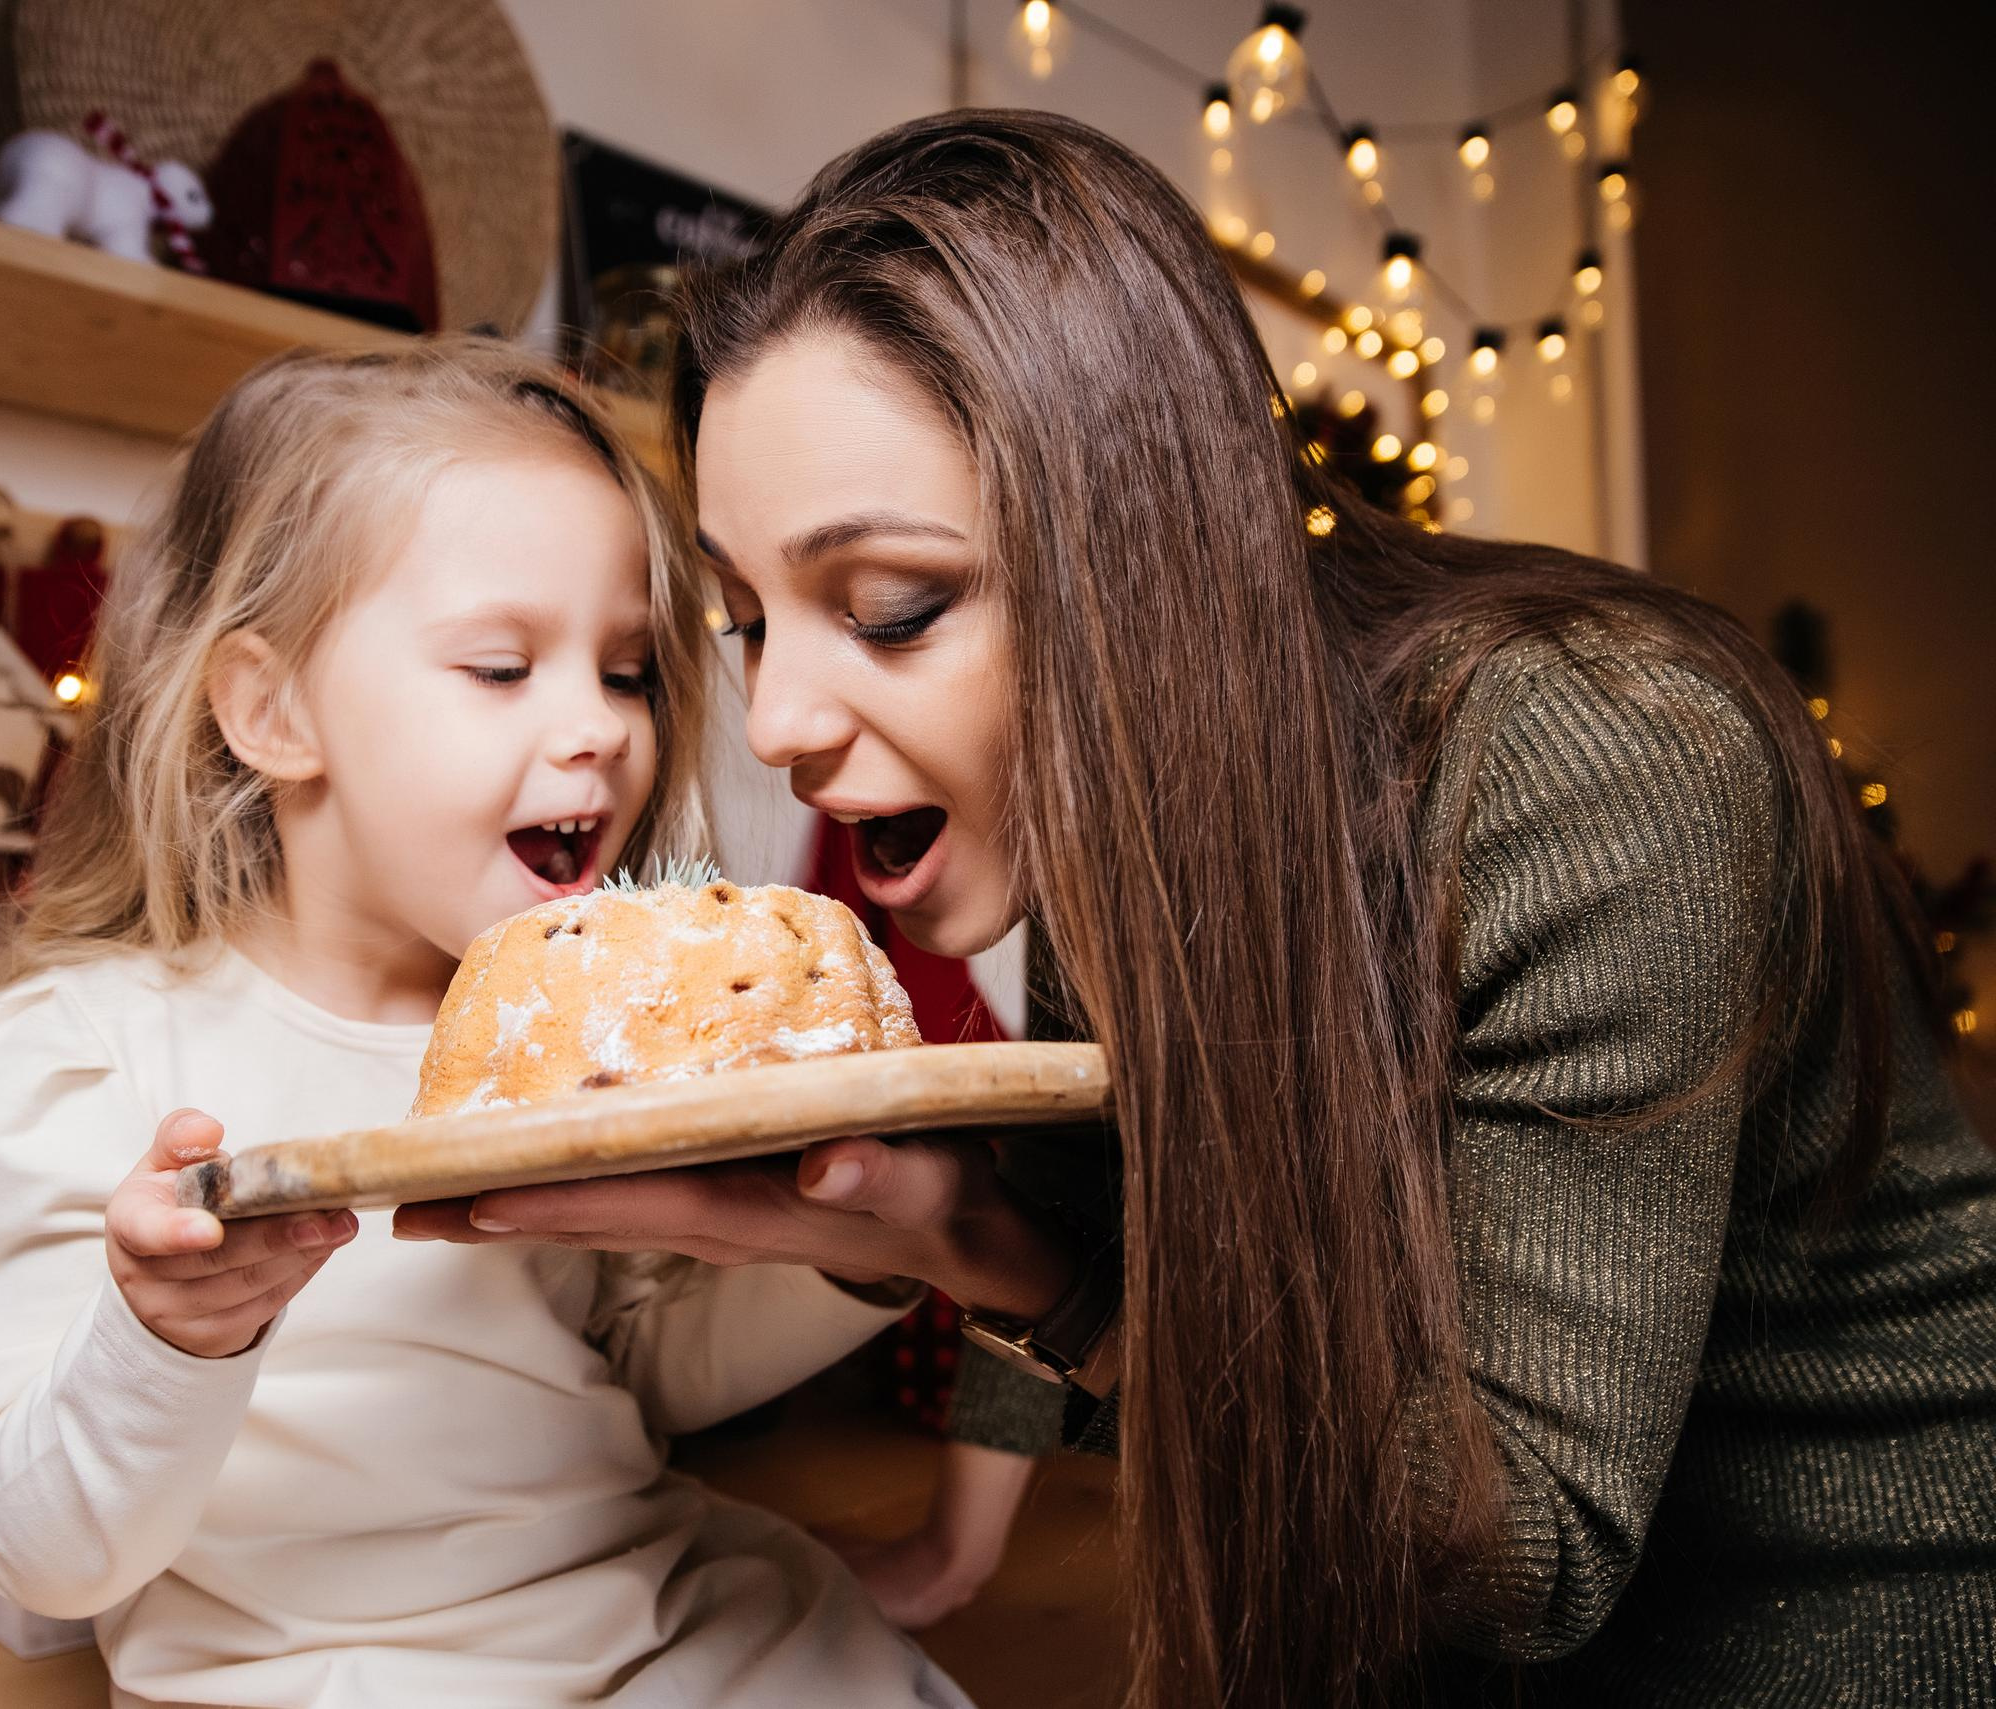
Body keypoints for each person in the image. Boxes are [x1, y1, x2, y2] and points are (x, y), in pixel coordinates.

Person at [393, 113, 1996, 1705]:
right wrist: (957, 1269)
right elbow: (1131, 1271)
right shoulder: (1107, 838)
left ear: (1139, 559)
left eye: (891, 608)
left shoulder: (1599, 754)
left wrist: (984, 1244)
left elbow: (1529, 1550)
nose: (776, 721)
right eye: (750, 618)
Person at [0, 341, 973, 1708]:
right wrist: (166, 1336)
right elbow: (45, 1558)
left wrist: (860, 1251)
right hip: (312, 1672)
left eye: (629, 670)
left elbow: (644, 1375)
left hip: (661, 1613)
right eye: (503, 665)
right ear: (272, 710)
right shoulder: (70, 1061)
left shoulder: (582, 1046)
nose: (598, 728)